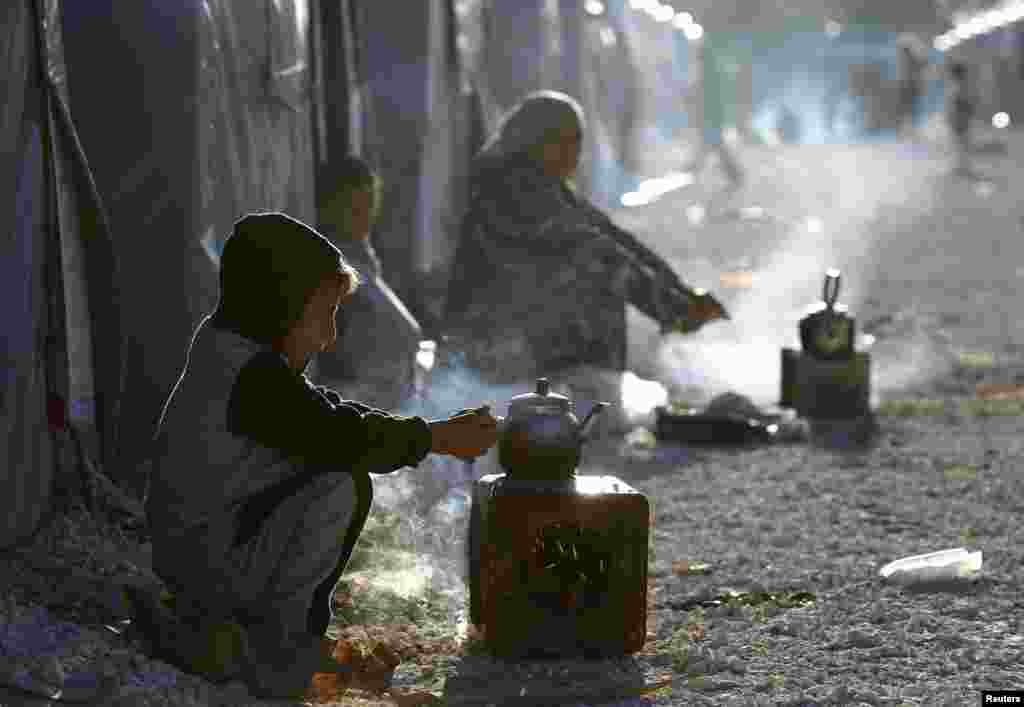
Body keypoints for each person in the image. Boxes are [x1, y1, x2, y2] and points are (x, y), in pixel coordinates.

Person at [146, 212, 497, 699]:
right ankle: (279, 646)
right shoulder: (251, 375)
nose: (329, 336)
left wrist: (429, 431)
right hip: (207, 560)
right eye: (323, 315)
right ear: (280, 305)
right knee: (340, 480)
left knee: (331, 463)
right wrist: (435, 437)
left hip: (201, 549)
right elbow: (340, 434)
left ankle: (259, 632)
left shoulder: (234, 351)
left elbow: (327, 411)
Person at [444, 90, 728, 390]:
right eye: (566, 141)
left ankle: (595, 388)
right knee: (600, 281)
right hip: (490, 346)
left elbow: (618, 239)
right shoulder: (512, 189)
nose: (576, 153)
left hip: (517, 334)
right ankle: (595, 390)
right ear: (536, 142)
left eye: (578, 141)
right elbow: (600, 252)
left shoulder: (547, 185)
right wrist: (673, 310)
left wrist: (684, 294)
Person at [312, 155, 422, 410]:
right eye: (354, 209)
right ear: (326, 207)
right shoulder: (325, 266)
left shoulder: (363, 257)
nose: (366, 218)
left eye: (371, 205)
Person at [945, 61, 975, 177]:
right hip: (960, 118)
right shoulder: (960, 86)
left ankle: (962, 167)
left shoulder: (958, 87)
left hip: (959, 119)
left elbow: (961, 104)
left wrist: (954, 116)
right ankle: (961, 166)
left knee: (960, 142)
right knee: (960, 142)